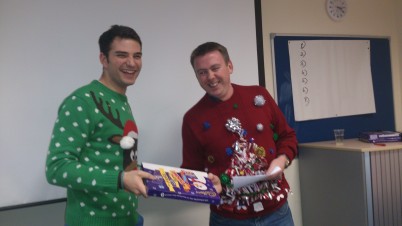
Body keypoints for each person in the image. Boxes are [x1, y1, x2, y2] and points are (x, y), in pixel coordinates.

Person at [45, 25, 155, 226]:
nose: (131, 63)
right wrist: (120, 179)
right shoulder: (81, 101)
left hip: (129, 218)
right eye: (122, 55)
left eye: (137, 56)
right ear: (103, 59)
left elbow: (116, 160)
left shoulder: (120, 101)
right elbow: (57, 168)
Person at [181, 42, 298, 226]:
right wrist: (207, 186)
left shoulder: (260, 95)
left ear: (230, 66)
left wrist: (282, 160)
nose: (210, 77)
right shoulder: (192, 119)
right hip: (228, 219)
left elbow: (288, 136)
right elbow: (191, 171)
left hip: (277, 213)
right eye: (202, 72)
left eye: (215, 68)